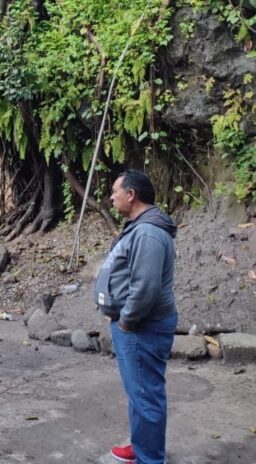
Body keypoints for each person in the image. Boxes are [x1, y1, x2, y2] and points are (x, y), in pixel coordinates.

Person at [95, 169, 177, 464]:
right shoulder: (140, 228)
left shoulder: (147, 233)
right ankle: (142, 445)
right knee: (139, 392)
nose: (111, 197)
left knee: (145, 395)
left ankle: (150, 458)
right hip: (137, 325)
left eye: (115, 192)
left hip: (142, 326)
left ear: (131, 195)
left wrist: (127, 320)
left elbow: (145, 287)